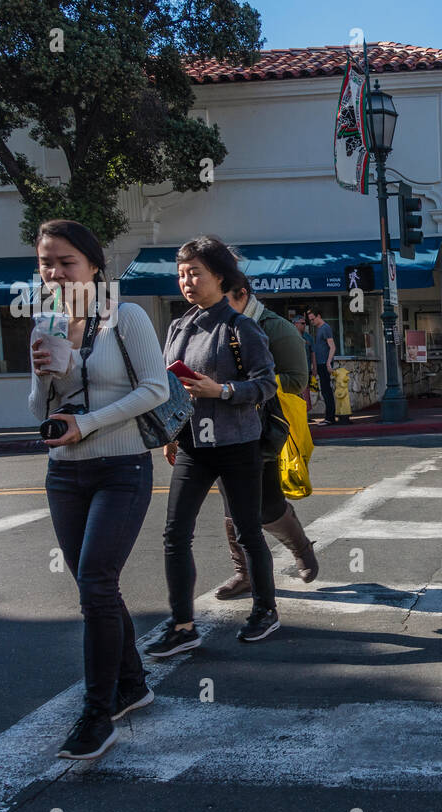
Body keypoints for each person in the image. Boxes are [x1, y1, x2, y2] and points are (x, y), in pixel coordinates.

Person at [27, 219, 169, 760]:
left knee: (95, 582)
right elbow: (37, 412)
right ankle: (132, 684)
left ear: (93, 266)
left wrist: (87, 424)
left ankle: (97, 711)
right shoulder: (46, 323)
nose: (56, 272)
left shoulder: (125, 316)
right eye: (46, 262)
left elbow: (156, 389)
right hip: (64, 472)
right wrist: (45, 374)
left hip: (121, 467)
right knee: (96, 589)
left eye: (67, 262)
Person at [148, 236, 280, 657]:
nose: (186, 281)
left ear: (219, 277)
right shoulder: (178, 325)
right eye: (181, 274)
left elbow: (265, 385)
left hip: (237, 444)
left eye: (195, 273)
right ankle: (183, 624)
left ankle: (265, 609)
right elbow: (169, 386)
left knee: (247, 531)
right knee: (174, 534)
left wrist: (219, 390)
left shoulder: (242, 327)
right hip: (191, 444)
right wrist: (169, 433)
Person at [209, 276, 318, 600]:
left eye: (224, 300)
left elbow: (298, 379)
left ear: (243, 295)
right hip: (221, 427)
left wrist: (243, 384)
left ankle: (300, 546)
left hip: (262, 428)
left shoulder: (275, 328)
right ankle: (244, 573)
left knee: (267, 505)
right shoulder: (210, 326)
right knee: (231, 504)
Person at [308, 307, 336, 425]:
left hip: (324, 363)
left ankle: (330, 418)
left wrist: (328, 362)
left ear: (319, 316)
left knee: (326, 390)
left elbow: (332, 347)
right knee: (325, 391)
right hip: (320, 363)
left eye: (313, 319)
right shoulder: (319, 329)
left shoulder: (325, 328)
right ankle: (329, 417)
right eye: (310, 320)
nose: (312, 322)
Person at [292, 313, 314, 403]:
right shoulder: (289, 336)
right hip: (294, 370)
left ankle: (306, 414)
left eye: (305, 323)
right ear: (295, 324)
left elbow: (313, 352)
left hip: (306, 369)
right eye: (302, 323)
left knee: (305, 392)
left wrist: (315, 368)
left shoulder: (308, 337)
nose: (305, 325)